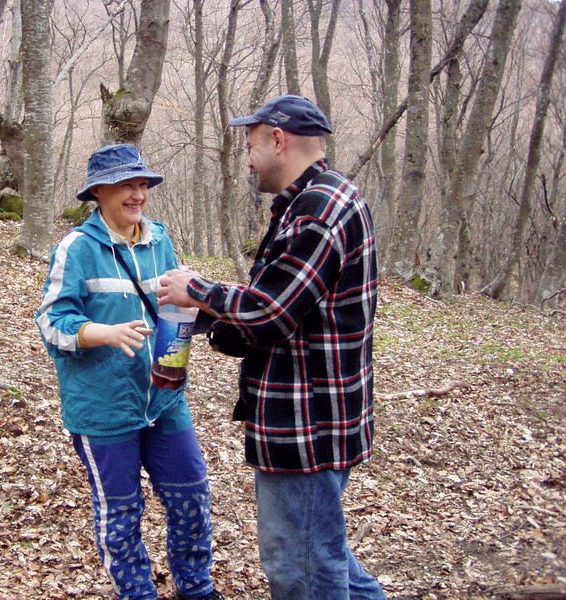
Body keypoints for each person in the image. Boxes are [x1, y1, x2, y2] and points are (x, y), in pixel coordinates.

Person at [156, 95, 385, 599]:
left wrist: (198, 291)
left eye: (251, 145)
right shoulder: (313, 201)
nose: (248, 159)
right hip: (314, 416)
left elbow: (272, 311)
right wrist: (211, 321)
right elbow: (284, 311)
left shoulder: (320, 210)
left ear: (278, 140)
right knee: (326, 554)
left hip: (307, 424)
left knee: (301, 567)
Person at [35, 143, 223, 600]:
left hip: (164, 399)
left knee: (191, 496)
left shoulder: (160, 240)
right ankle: (137, 593)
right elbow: (51, 323)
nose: (138, 194)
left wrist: (200, 315)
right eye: (126, 185)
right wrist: (103, 332)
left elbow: (174, 309)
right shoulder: (77, 248)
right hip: (103, 407)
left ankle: (196, 588)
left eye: (142, 184)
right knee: (120, 512)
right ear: (99, 192)